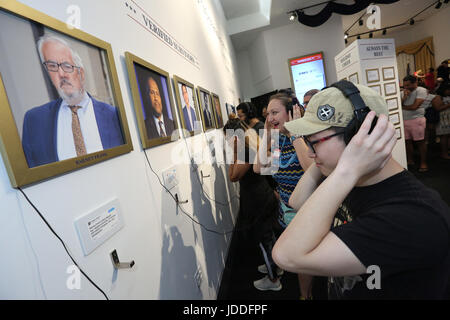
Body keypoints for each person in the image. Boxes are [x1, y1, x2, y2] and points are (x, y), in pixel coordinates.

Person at [273, 82, 450, 299]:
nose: (309, 153)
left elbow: (286, 255)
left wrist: (346, 168)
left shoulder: (412, 216)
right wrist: (332, 162)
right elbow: (298, 201)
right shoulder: (350, 181)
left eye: (314, 142)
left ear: (359, 137)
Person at [22, 35, 124, 168]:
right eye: (52, 66)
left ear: (81, 73)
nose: (61, 74)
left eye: (67, 66)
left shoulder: (114, 116)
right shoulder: (34, 121)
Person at [254, 91, 315, 298]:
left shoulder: (308, 135)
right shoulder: (276, 139)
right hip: (287, 209)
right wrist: (266, 136)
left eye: (275, 112)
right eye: (268, 114)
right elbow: (258, 167)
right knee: (300, 256)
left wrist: (296, 134)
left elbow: (310, 169)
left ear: (291, 112)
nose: (270, 118)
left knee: (301, 256)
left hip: (308, 209)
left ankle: (305, 295)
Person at [223, 118, 281, 291]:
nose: (226, 142)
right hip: (263, 196)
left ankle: (273, 280)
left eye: (227, 138)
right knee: (269, 237)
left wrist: (233, 154)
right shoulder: (251, 146)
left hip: (258, 201)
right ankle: (276, 266)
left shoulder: (244, 152)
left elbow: (233, 176)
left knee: (264, 241)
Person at [401, 75, 428, 172]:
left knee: (420, 142)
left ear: (414, 83)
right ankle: (410, 160)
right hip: (404, 121)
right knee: (407, 142)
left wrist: (402, 107)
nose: (406, 87)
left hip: (417, 120)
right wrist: (404, 97)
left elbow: (415, 106)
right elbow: (397, 105)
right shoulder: (404, 92)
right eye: (404, 85)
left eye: (408, 85)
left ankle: (423, 163)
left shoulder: (421, 90)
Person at [435, 82, 450, 159]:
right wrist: (448, 105)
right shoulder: (438, 97)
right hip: (443, 119)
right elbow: (438, 108)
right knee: (444, 136)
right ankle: (444, 153)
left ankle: (447, 151)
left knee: (448, 136)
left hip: (448, 118)